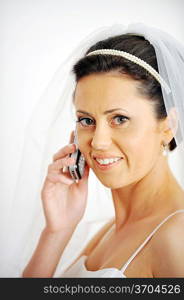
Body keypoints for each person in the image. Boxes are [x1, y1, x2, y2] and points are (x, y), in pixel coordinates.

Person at [22, 23, 184, 278]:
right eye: (86, 120)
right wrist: (57, 232)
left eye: (119, 119)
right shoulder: (111, 229)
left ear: (168, 127)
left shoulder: (176, 238)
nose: (98, 142)